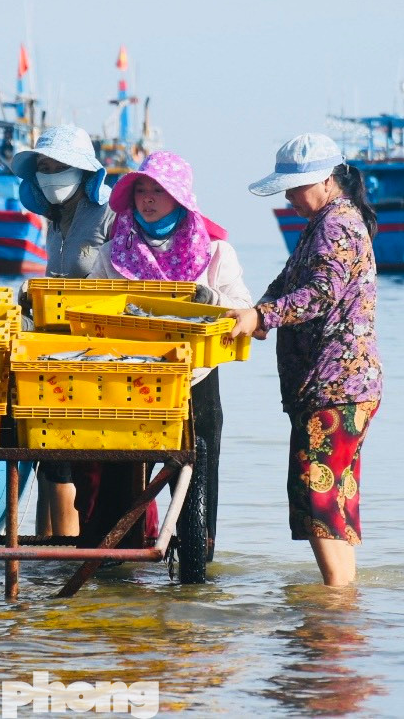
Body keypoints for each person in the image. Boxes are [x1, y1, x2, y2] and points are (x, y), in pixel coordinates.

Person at [86, 151, 254, 565]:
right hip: (128, 379)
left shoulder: (216, 252)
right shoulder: (113, 253)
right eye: (141, 190)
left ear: (179, 197)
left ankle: (198, 564)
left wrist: (213, 301)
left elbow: (243, 308)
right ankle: (112, 566)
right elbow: (89, 307)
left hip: (196, 378)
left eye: (158, 191)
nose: (147, 199)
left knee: (198, 475)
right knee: (120, 476)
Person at [230, 133, 382, 587]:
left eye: (295, 187)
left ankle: (335, 601)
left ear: (327, 181)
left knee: (317, 493)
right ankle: (343, 596)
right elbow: (288, 281)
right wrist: (260, 309)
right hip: (341, 386)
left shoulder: (336, 225)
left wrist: (262, 316)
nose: (289, 197)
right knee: (333, 494)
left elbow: (319, 294)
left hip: (336, 386)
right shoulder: (325, 222)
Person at [10, 124, 113, 539]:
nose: (52, 176)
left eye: (60, 167)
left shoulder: (109, 213)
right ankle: (46, 548)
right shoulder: (53, 219)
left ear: (84, 171)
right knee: (48, 453)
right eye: (45, 167)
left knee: (67, 457)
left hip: (95, 350)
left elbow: (122, 279)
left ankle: (67, 554)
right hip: (52, 347)